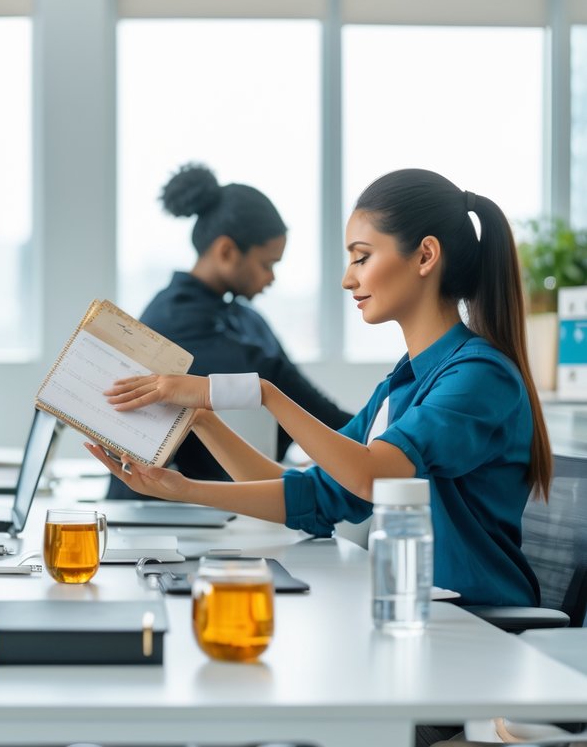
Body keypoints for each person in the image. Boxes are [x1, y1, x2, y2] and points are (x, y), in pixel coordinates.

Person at [93, 168, 550, 610]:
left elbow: (375, 476)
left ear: (426, 256)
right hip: (417, 614)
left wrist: (265, 393)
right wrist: (190, 465)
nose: (348, 278)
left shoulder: (479, 376)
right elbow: (311, 494)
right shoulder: (404, 382)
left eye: (362, 257)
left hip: (477, 625)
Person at [109, 163, 352, 499]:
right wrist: (367, 445)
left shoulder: (244, 316)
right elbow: (277, 380)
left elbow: (300, 395)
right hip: (165, 510)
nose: (271, 278)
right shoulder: (175, 318)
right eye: (266, 264)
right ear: (226, 251)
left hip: (227, 500)